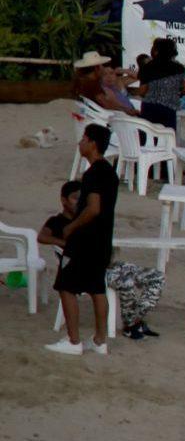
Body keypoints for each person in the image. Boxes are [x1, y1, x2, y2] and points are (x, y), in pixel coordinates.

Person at [39, 179, 162, 341]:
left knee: (156, 277)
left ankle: (134, 320)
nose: (79, 202)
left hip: (107, 264)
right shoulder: (56, 221)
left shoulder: (88, 218)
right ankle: (130, 326)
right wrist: (68, 245)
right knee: (126, 282)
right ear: (63, 200)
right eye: (75, 198)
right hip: (87, 270)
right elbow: (42, 237)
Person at [46, 125, 117, 355]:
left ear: (93, 143)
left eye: (84, 139)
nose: (80, 143)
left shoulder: (93, 174)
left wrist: (71, 227)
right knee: (97, 288)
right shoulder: (110, 172)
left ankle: (73, 340)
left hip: (86, 240)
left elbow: (93, 208)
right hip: (103, 240)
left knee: (65, 285)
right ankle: (100, 340)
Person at [134, 38, 185, 129]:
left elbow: (142, 91)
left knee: (148, 137)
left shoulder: (147, 67)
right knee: (168, 138)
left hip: (149, 108)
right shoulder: (178, 68)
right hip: (169, 108)